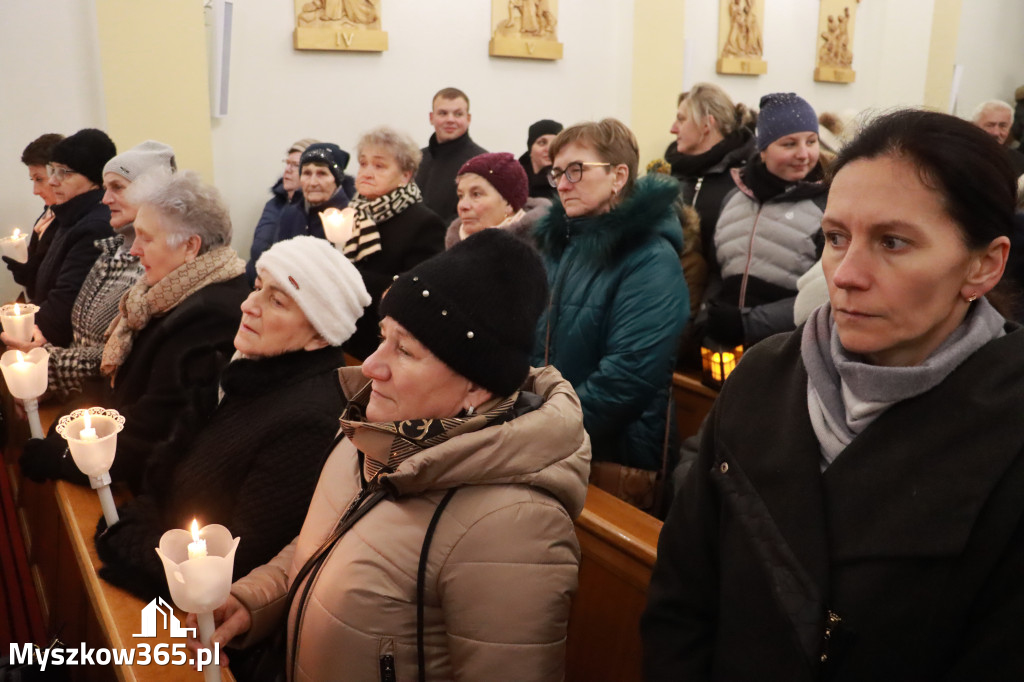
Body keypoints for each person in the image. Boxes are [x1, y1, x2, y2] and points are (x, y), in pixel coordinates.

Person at [642, 109, 1024, 680]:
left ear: (983, 265)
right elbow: (683, 594)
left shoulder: (1008, 427)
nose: (845, 274)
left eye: (893, 242)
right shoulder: (764, 376)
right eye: (836, 238)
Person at [191, 229, 590, 682]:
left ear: (477, 386)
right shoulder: (370, 431)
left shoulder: (513, 527)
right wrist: (252, 601)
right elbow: (331, 544)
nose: (371, 366)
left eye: (405, 351)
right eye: (383, 337)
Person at [92, 236, 370, 600]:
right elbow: (175, 479)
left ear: (319, 335)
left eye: (277, 301)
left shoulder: (309, 422)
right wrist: (141, 516)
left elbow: (238, 562)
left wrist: (129, 540)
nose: (248, 305)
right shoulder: (250, 375)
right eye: (257, 288)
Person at [19, 171, 250, 494]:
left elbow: (159, 426)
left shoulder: (212, 315)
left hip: (160, 488)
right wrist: (69, 425)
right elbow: (118, 386)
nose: (134, 250)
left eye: (146, 238)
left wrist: (65, 458)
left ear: (190, 246)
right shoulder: (162, 294)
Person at [532, 118, 689, 512]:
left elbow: (629, 376)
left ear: (619, 176)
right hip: (547, 439)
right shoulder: (559, 248)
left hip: (616, 454)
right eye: (557, 173)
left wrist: (544, 430)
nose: (562, 184)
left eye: (576, 170)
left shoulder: (650, 258)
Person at [2, 141, 177, 400]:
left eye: (117, 187)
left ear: (151, 194)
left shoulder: (157, 263)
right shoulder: (113, 247)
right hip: (78, 389)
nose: (105, 199)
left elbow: (125, 354)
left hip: (102, 398)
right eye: (106, 188)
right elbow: (81, 330)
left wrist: (46, 360)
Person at [702, 92, 827, 350]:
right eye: (789, 144)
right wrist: (707, 315)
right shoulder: (733, 200)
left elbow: (824, 294)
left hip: (790, 351)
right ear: (763, 151)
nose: (804, 154)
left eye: (811, 141)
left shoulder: (828, 208)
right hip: (728, 350)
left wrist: (748, 323)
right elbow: (716, 271)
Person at [339, 126, 445, 360]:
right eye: (363, 163)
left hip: (382, 348)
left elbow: (416, 292)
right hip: (341, 337)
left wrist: (345, 275)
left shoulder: (425, 222)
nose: (367, 173)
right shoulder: (352, 213)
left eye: (379, 166)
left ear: (405, 176)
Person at [31, 128, 117, 347]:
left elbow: (63, 311)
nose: (52, 181)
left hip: (63, 349)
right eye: (53, 170)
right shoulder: (69, 215)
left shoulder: (94, 227)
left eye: (64, 172)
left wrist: (17, 328)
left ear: (93, 179)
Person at [666, 83, 756, 266]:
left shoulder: (744, 179)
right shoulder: (671, 174)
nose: (673, 129)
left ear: (706, 124)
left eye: (681, 119)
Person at [246, 137, 318, 284]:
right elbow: (257, 249)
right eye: (287, 163)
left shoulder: (312, 210)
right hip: (255, 279)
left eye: (295, 165)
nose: (287, 170)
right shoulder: (273, 204)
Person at [445, 151, 550, 248]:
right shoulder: (452, 252)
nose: (463, 206)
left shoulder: (544, 251)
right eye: (461, 196)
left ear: (508, 204)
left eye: (476, 194)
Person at [4, 133, 64, 300]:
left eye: (39, 179)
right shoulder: (48, 213)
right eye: (33, 180)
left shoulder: (72, 222)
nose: (35, 191)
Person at [414, 87, 487, 223]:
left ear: (468, 118)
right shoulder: (415, 159)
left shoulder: (482, 162)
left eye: (458, 114)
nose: (450, 119)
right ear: (431, 118)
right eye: (443, 113)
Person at [273, 142, 355, 244]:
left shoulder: (351, 217)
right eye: (307, 173)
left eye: (322, 174)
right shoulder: (290, 215)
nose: (312, 183)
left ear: (337, 180)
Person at [971, 100, 1024, 176]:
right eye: (990, 125)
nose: (996, 133)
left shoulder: (1019, 162)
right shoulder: (960, 156)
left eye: (1003, 126)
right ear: (975, 126)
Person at [519, 119, 562, 201]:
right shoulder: (514, 181)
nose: (549, 149)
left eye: (555, 144)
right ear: (530, 150)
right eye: (542, 143)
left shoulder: (568, 181)